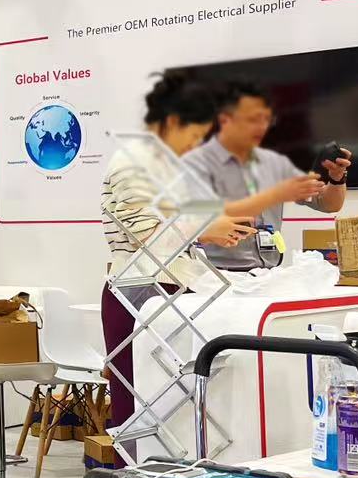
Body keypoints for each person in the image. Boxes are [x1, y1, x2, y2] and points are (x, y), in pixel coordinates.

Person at [101, 74, 256, 430]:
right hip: (138, 295)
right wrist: (206, 227)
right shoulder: (132, 162)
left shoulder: (166, 167)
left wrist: (215, 228)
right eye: (195, 135)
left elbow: (174, 226)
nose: (195, 146)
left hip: (170, 291)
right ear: (172, 121)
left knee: (174, 414)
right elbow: (144, 234)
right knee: (138, 411)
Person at [184, 82, 352, 270]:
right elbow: (177, 223)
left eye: (265, 119)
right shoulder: (196, 165)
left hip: (267, 273)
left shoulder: (275, 165)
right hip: (215, 274)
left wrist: (337, 178)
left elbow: (329, 204)